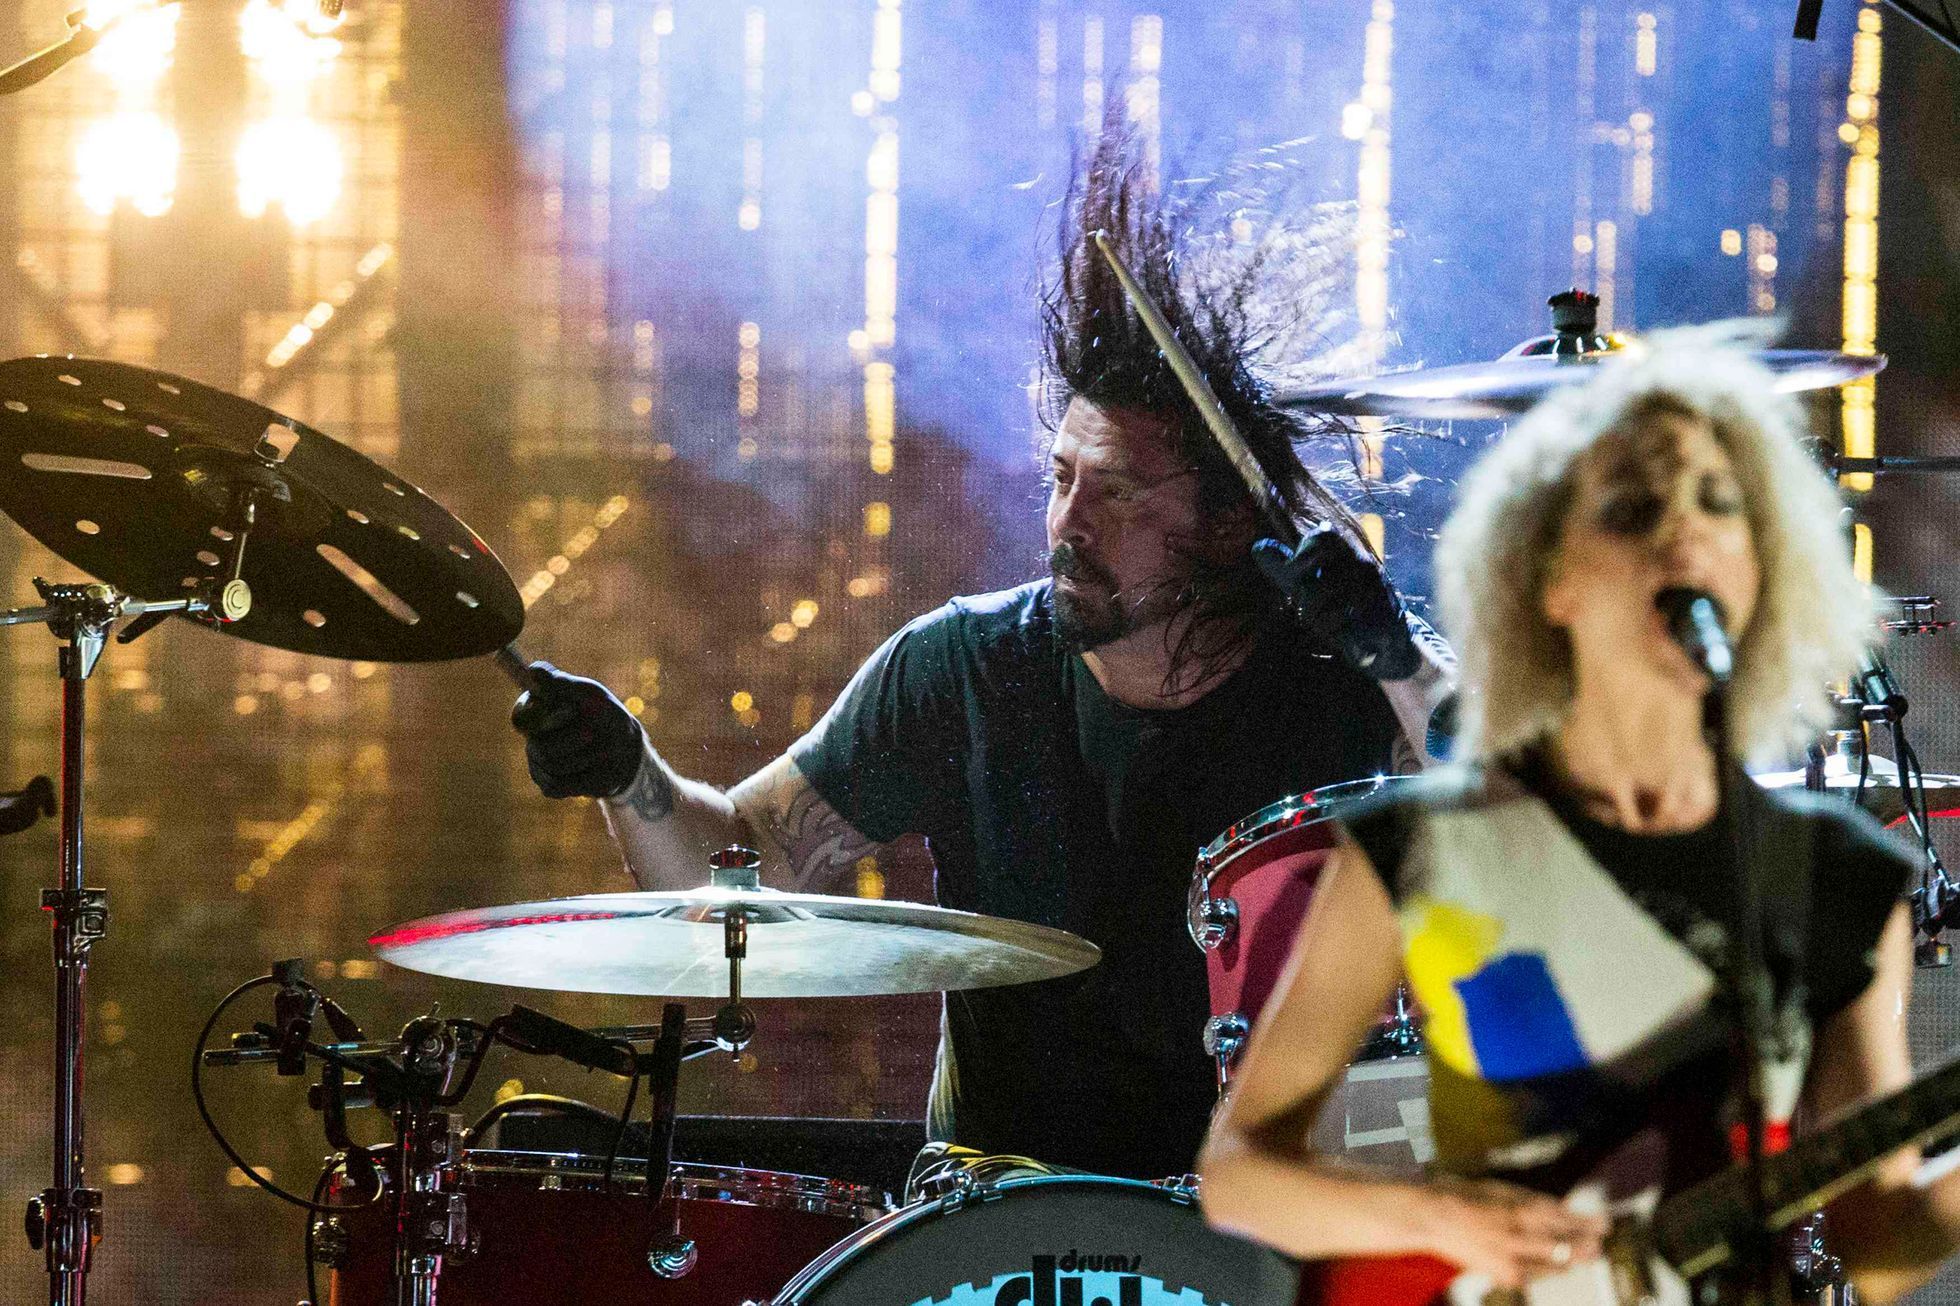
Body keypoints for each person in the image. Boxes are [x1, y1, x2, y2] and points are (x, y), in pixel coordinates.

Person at [509, 128, 1453, 1181]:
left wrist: (1392, 655)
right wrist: (627, 771)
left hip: (1277, 1228)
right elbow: (740, 870)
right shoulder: (963, 669)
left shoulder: (1339, 682)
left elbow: (1526, 807)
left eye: (1120, 493)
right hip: (1001, 1227)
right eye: (1060, 478)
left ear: (1229, 524)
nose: (1068, 522)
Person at [1195, 331, 1960, 1302]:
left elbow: (1879, 1241)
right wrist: (1442, 1218)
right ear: (1547, 574)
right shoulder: (1427, 849)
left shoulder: (1839, 873)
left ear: (1765, 563)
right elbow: (1240, 1173)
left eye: (1720, 502)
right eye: (1634, 507)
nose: (1683, 531)